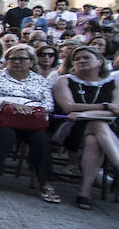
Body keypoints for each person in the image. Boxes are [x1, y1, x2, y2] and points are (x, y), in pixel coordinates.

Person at [0, 44, 58, 203]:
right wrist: (10, 105)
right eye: (12, 58)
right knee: (5, 134)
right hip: (1, 119)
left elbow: (49, 105)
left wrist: (31, 108)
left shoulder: (40, 81)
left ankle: (46, 183)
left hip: (30, 121)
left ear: (31, 62)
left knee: (41, 139)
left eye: (22, 59)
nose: (17, 62)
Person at [51, 46, 119, 209]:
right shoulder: (64, 80)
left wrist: (85, 113)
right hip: (68, 127)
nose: (80, 61)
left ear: (100, 61)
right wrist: (105, 106)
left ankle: (85, 192)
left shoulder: (113, 82)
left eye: (86, 57)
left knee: (93, 139)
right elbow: (68, 107)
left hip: (103, 129)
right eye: (77, 59)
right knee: (98, 124)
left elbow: (117, 110)